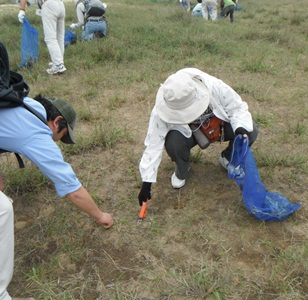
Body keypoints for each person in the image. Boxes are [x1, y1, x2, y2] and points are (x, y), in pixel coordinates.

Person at [0, 94, 114, 300]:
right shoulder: (37, 135)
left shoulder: (25, 104)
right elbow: (73, 189)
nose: (58, 140)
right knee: (3, 209)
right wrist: (101, 216)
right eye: (62, 135)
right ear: (57, 122)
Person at [137, 68, 259, 206]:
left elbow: (237, 108)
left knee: (250, 130)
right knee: (173, 143)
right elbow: (153, 144)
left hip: (219, 125)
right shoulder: (161, 107)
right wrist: (147, 182)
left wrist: (240, 129)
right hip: (189, 133)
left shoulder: (214, 86)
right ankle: (183, 169)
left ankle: (228, 158)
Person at [18, 0, 66, 75]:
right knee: (59, 37)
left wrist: (22, 9)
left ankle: (58, 65)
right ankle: (59, 62)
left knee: (50, 38)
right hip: (60, 4)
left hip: (49, 5)